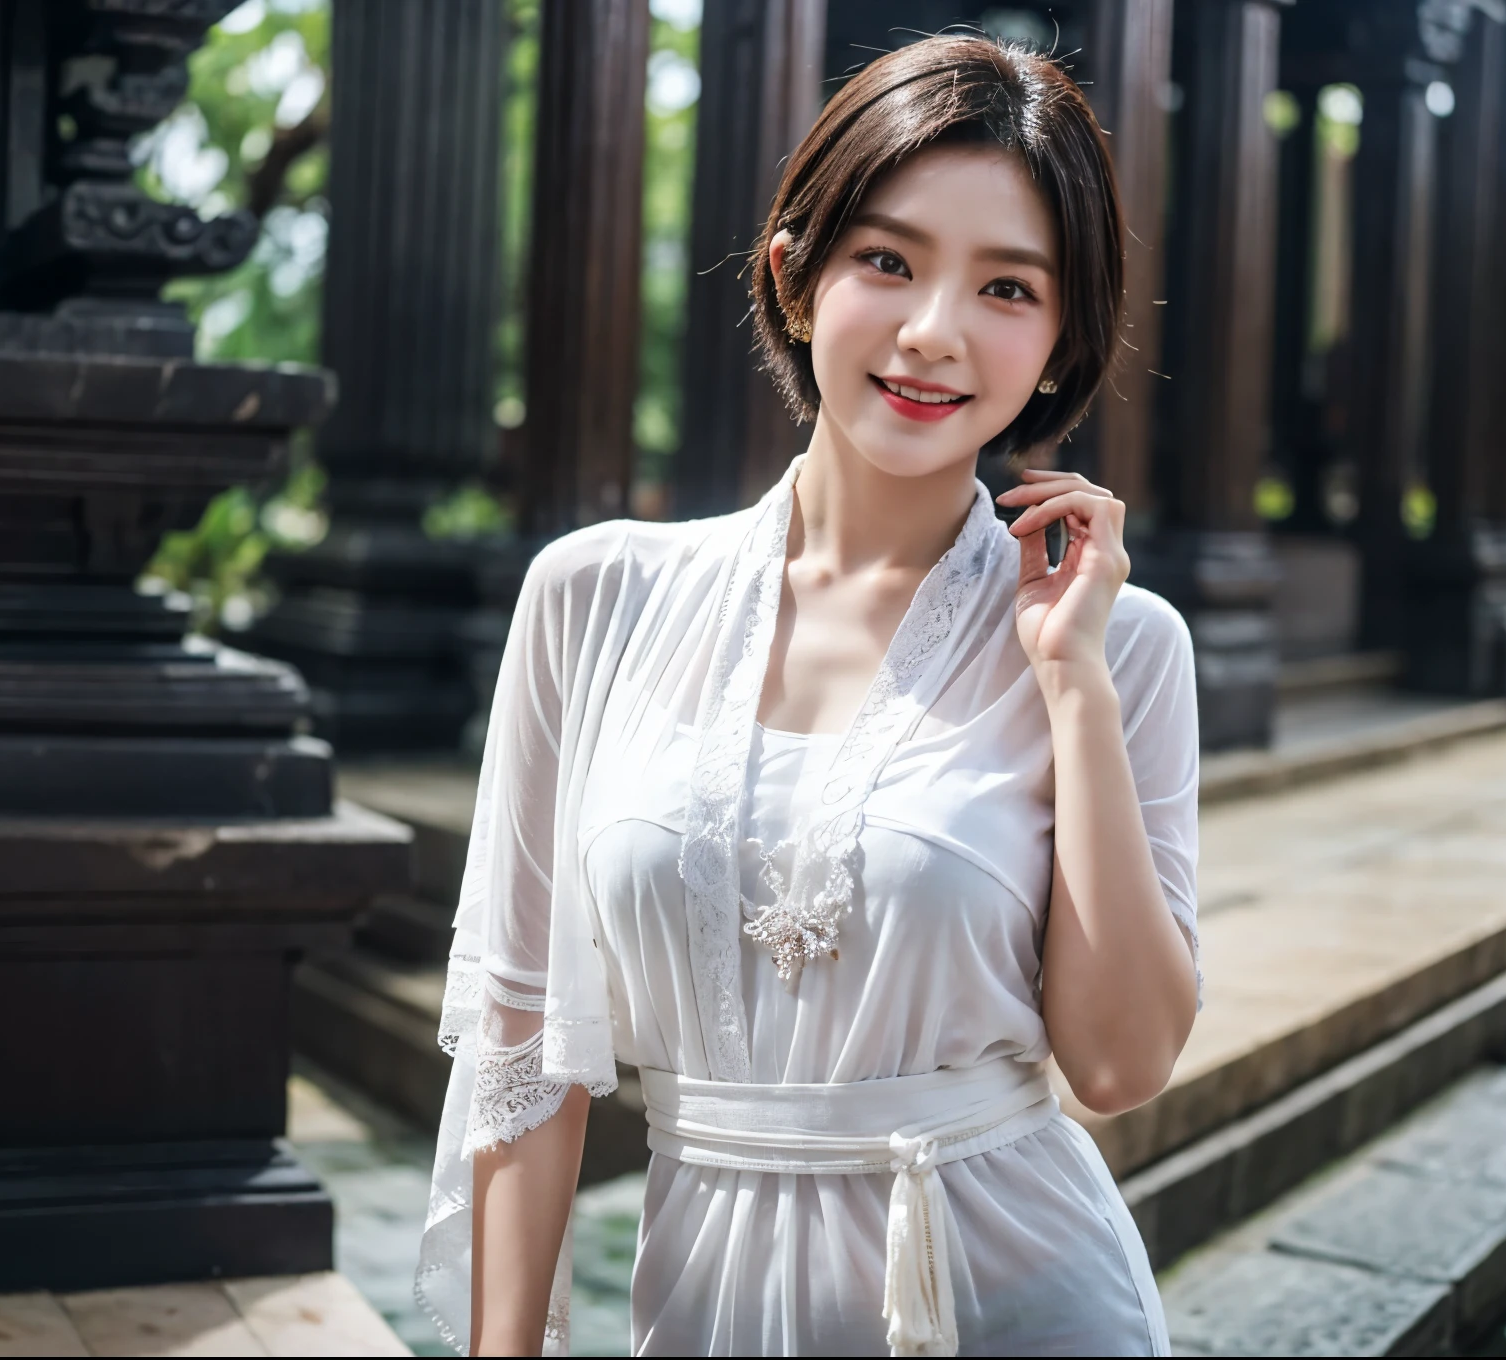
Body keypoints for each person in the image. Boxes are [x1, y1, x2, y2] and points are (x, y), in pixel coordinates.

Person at [418, 34, 1200, 1358]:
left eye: (1008, 288)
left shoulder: (1119, 645)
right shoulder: (593, 600)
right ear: (794, 274)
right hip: (706, 1309)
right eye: (887, 260)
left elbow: (1120, 1069)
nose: (934, 331)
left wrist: (1069, 683)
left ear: (1059, 339)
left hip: (1022, 1307)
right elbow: (520, 1051)